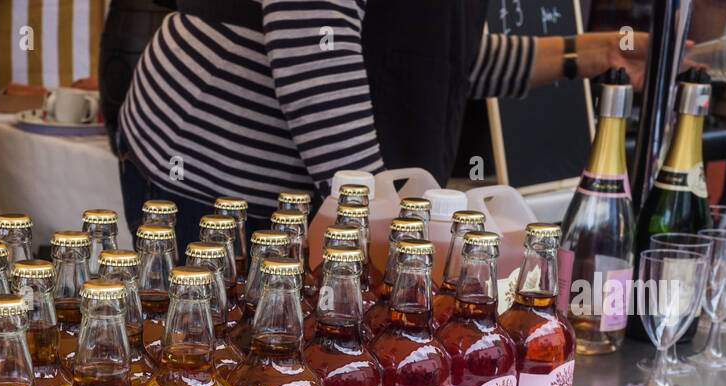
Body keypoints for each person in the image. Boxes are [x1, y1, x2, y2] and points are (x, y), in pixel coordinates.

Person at [115, 1, 648, 246]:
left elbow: (435, 54)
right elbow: (310, 33)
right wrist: (387, 227)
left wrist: (594, 52)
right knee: (220, 384)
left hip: (310, 194)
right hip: (213, 168)